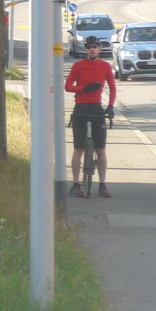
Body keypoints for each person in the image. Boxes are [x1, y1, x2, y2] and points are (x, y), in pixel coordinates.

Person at [64, 34, 116, 198]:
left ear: (100, 49)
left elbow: (113, 88)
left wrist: (111, 106)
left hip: (96, 109)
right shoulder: (78, 66)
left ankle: (102, 185)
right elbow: (67, 86)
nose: (92, 49)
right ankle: (76, 184)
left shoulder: (105, 66)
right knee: (78, 149)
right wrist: (83, 89)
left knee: (100, 149)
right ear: (85, 49)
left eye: (95, 47)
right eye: (89, 47)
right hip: (81, 108)